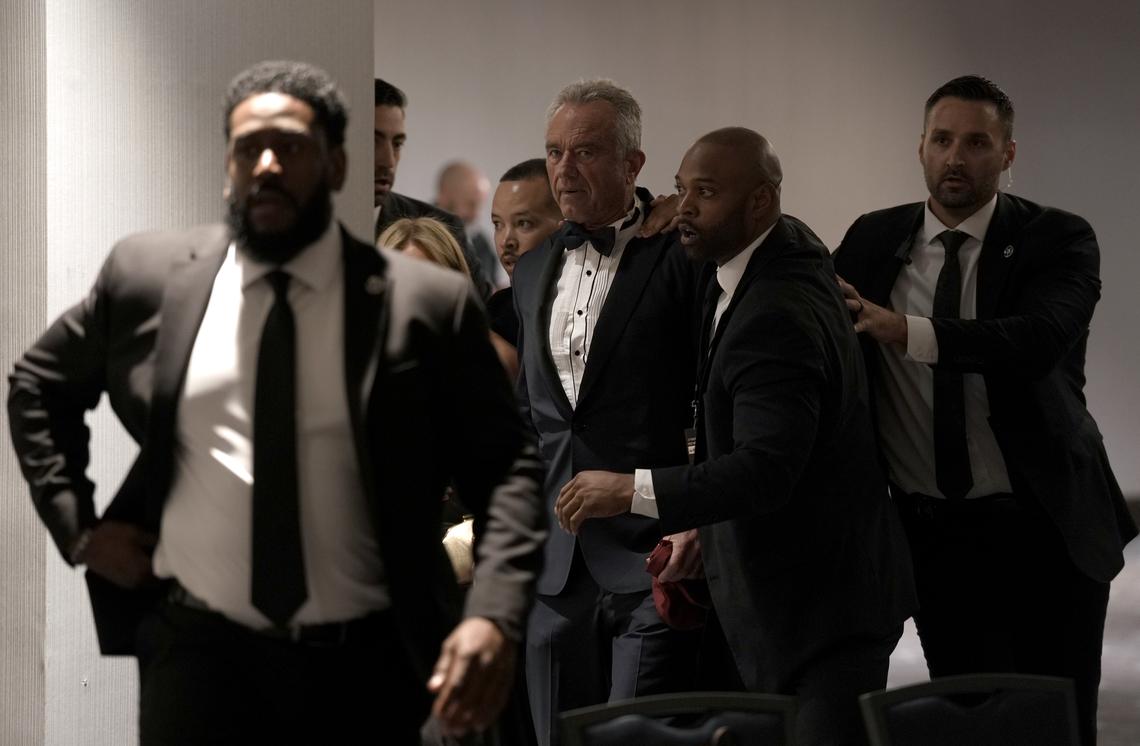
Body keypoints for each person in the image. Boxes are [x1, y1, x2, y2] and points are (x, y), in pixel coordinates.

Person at [8, 60, 545, 744]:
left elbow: (508, 477)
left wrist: (491, 616)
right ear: (227, 166)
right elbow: (37, 385)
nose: (266, 164)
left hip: (370, 663)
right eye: (246, 148)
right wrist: (78, 525)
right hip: (199, 660)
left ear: (338, 164)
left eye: (290, 147)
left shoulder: (423, 305)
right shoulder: (147, 280)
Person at [556, 127, 916, 746]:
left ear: (759, 204)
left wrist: (630, 490)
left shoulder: (774, 312)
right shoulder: (782, 249)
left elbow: (764, 471)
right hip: (804, 598)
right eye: (680, 190)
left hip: (818, 613)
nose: (687, 208)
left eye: (707, 193)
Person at [832, 75, 1137, 745]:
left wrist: (902, 330)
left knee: (1055, 728)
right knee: (971, 726)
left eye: (976, 142)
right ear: (920, 148)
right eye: (942, 140)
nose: (956, 158)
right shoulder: (872, 240)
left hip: (1045, 529)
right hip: (937, 538)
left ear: (1008, 154)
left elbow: (1033, 342)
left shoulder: (1056, 239)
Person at [513, 79, 701, 746]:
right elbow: (533, 419)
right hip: (552, 569)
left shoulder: (683, 252)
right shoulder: (531, 269)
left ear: (633, 164)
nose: (565, 168)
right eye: (554, 152)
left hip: (651, 556)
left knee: (632, 739)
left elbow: (716, 394)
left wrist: (700, 519)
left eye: (586, 152)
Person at [372, 78, 492, 300]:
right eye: (373, 141)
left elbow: (484, 321)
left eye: (397, 144)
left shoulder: (446, 228)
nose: (388, 160)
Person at [487, 158, 564, 377]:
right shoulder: (497, 312)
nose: (506, 241)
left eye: (523, 223)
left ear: (564, 225)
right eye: (497, 225)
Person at [437, 160, 503, 288]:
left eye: (480, 205)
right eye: (470, 204)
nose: (476, 215)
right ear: (445, 196)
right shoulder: (416, 235)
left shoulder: (481, 243)